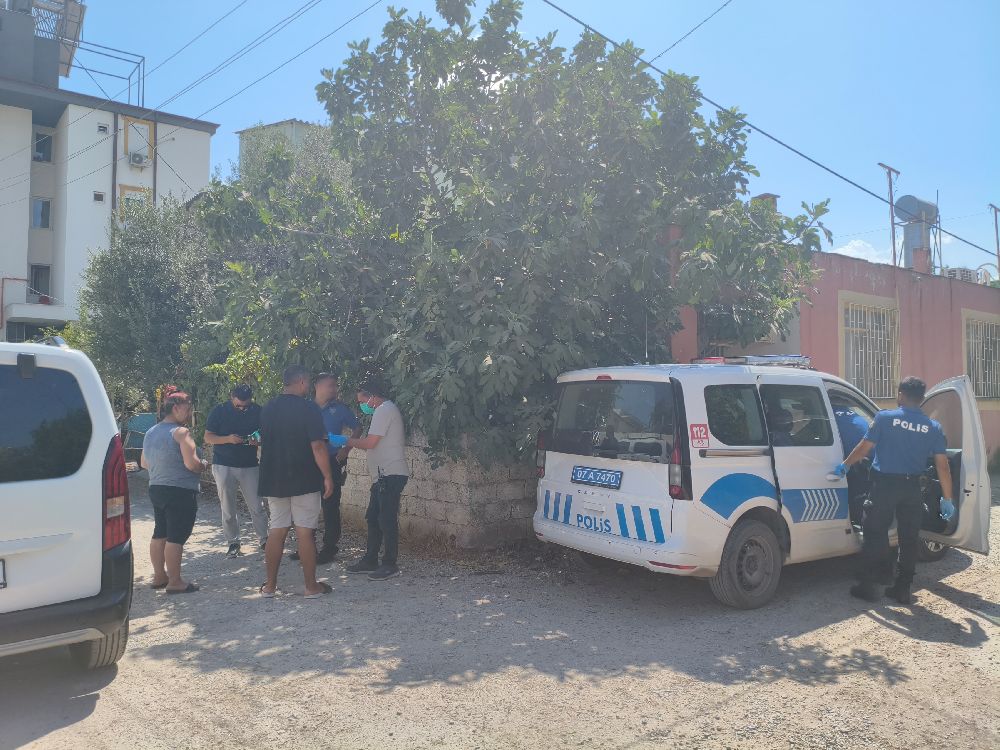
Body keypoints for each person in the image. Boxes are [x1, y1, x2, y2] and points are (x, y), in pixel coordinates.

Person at [834, 376, 954, 605]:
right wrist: (947, 499)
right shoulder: (933, 427)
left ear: (900, 394)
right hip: (912, 488)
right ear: (921, 399)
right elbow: (943, 466)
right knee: (909, 538)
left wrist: (845, 465)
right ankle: (902, 588)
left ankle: (869, 585)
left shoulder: (885, 418)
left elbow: (864, 448)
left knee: (874, 531)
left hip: (885, 486)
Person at [258, 365, 335, 599]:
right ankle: (311, 586)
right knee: (304, 533)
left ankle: (270, 586)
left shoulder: (268, 408)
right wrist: (328, 476)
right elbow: (318, 445)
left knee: (276, 531)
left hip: (274, 478)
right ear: (301, 382)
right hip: (304, 478)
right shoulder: (309, 408)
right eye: (308, 382)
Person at [141, 386, 207, 594]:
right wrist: (203, 464)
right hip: (180, 490)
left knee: (160, 532)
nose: (189, 414)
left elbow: (144, 463)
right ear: (176, 408)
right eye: (188, 409)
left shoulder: (150, 432)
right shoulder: (181, 432)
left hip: (157, 487)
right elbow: (191, 464)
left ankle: (159, 576)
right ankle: (175, 581)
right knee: (176, 536)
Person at [290, 373, 361, 564]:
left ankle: (329, 548)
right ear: (318, 387)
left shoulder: (340, 409)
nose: (335, 389)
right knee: (306, 504)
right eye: (331, 385)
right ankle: (306, 546)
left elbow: (357, 427)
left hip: (331, 460)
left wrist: (345, 450)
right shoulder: (305, 407)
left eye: (335, 385)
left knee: (330, 506)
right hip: (307, 461)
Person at [345, 378, 409, 581]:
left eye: (362, 401)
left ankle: (390, 563)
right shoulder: (383, 411)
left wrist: (346, 440)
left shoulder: (383, 410)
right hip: (382, 476)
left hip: (390, 474)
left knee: (386, 519)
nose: (362, 405)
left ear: (371, 396)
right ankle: (370, 559)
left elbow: (370, 443)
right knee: (373, 518)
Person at [204, 384, 268, 557]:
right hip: (224, 464)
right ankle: (233, 543)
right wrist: (228, 439)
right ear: (232, 397)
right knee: (228, 507)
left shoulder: (258, 411)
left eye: (245, 406)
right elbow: (208, 437)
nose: (242, 408)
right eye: (238, 405)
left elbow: (267, 434)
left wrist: (259, 440)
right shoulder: (219, 411)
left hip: (250, 464)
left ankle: (265, 540)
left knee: (257, 505)